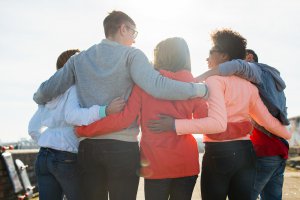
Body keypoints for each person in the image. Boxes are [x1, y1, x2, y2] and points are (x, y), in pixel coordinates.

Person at [32, 11, 208, 200]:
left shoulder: (78, 60)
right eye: (134, 33)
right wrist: (199, 90)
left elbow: (43, 93)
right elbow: (157, 86)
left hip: (88, 148)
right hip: (122, 148)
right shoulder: (132, 56)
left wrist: (40, 98)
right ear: (123, 29)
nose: (134, 40)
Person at [76, 37, 251, 200]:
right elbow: (210, 126)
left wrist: (84, 130)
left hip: (155, 165)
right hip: (186, 164)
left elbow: (123, 120)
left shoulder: (144, 86)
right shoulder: (194, 88)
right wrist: (242, 128)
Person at [147, 29, 291, 200]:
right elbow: (268, 122)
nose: (207, 57)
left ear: (223, 56)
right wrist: (287, 134)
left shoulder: (213, 81)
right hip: (246, 154)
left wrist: (175, 125)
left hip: (219, 155)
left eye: (211, 52)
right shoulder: (250, 87)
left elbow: (216, 124)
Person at [28, 49, 125, 200]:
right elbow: (72, 116)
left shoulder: (49, 93)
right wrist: (105, 110)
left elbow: (32, 129)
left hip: (43, 157)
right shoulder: (74, 88)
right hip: (66, 156)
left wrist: (48, 142)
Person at [196, 48, 289, 200]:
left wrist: (198, 78)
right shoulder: (272, 84)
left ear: (250, 58)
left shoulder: (255, 73)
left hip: (264, 149)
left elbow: (236, 67)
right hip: (279, 149)